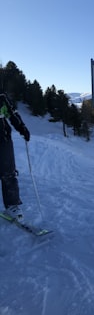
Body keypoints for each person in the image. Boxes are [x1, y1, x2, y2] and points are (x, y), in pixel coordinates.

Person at [0, 93, 29, 222]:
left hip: (3, 139)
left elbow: (12, 114)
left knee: (8, 172)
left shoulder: (1, 98)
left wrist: (22, 128)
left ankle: (12, 206)